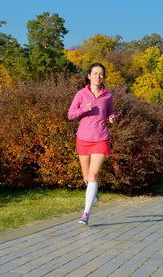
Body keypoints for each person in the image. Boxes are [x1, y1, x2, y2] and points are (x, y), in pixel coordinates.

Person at [68, 63, 117, 225]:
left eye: (101, 74)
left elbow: (109, 111)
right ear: (89, 76)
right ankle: (92, 190)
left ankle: (86, 213)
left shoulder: (107, 96)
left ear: (103, 77)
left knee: (93, 174)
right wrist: (83, 109)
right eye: (95, 73)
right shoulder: (81, 94)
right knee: (86, 176)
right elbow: (70, 115)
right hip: (83, 138)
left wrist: (112, 117)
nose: (98, 76)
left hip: (101, 138)